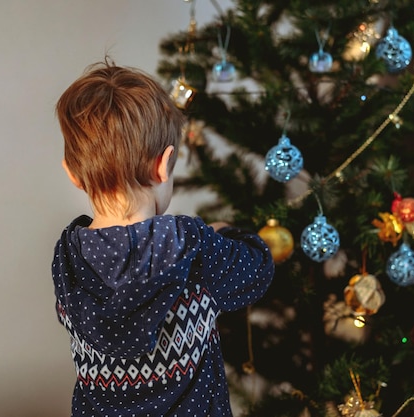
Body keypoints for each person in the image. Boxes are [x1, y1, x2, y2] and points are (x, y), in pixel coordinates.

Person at [51, 59, 275, 417]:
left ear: (73, 174)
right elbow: (257, 271)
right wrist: (225, 232)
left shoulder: (68, 258)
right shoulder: (191, 245)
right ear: (163, 165)